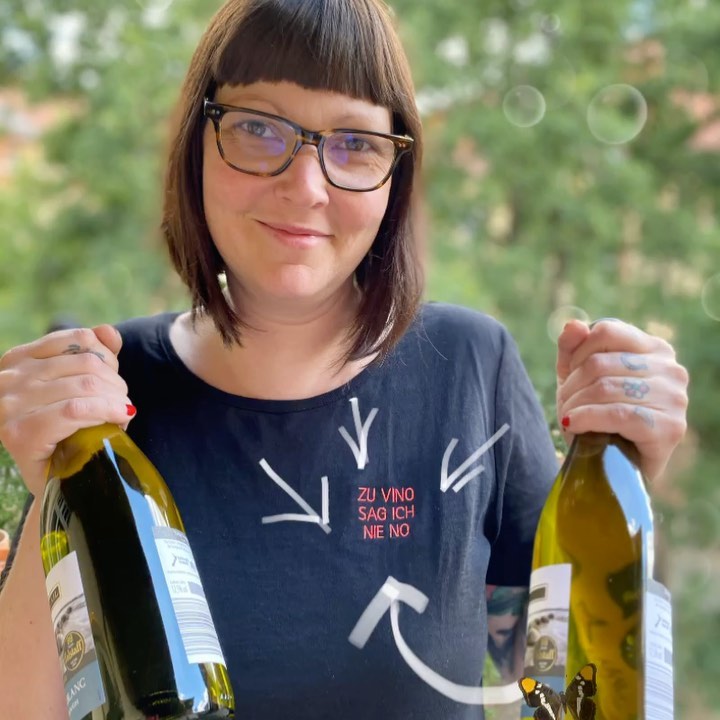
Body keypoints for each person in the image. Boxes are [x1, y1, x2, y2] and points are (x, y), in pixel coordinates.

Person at [0, 0, 689, 718]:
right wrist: (55, 483)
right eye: (258, 127)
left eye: (355, 142)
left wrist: (628, 468)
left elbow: (570, 685)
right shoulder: (107, 399)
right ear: (196, 142)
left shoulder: (469, 366)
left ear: (396, 174)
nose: (305, 186)